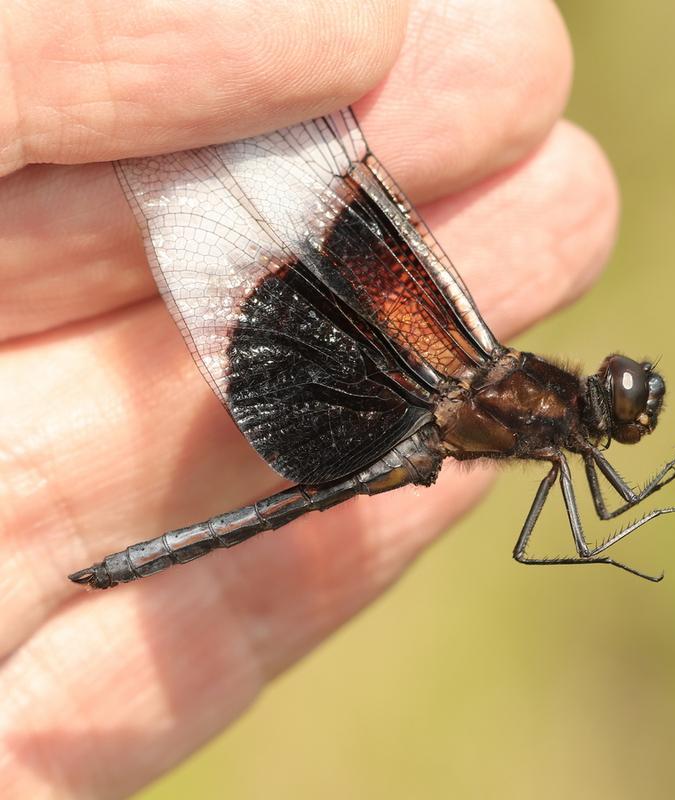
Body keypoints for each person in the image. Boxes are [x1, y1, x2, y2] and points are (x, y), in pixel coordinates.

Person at [0, 1, 618, 795]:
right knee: (328, 155)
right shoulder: (514, 400)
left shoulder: (534, 414)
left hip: (399, 419)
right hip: (405, 415)